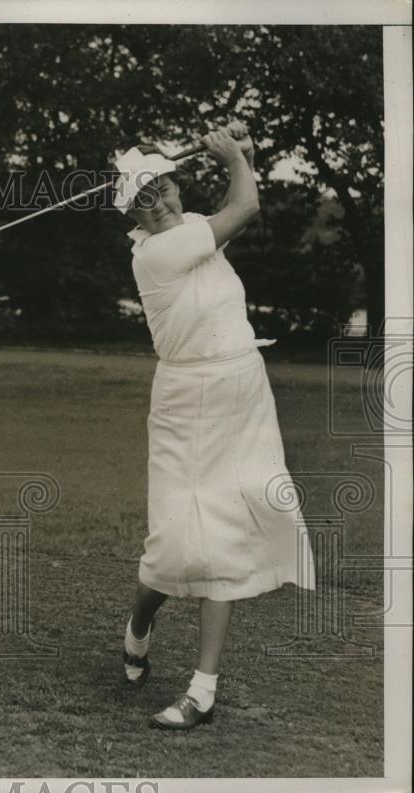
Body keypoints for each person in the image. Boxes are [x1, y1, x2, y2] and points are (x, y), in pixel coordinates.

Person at [111, 124, 315, 729]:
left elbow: (237, 195)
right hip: (183, 401)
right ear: (133, 217)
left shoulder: (192, 227)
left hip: (242, 392)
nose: (164, 203)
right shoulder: (155, 253)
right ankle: (139, 624)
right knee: (174, 545)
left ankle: (202, 691)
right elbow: (247, 203)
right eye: (147, 200)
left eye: (168, 188)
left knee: (226, 532)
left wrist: (241, 154)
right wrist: (233, 158)